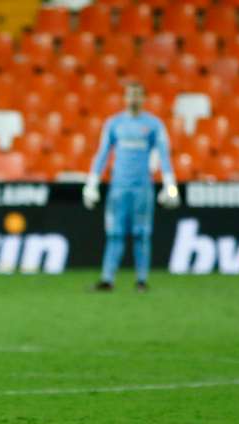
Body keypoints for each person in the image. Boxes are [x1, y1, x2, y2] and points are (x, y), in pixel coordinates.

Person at [82, 81, 180, 292]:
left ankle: (141, 280)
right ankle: (107, 279)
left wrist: (170, 185)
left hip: (142, 187)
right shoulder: (114, 123)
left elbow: (164, 155)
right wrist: (92, 183)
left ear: (143, 99)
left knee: (141, 234)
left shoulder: (154, 125)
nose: (134, 99)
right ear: (125, 98)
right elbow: (102, 153)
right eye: (130, 95)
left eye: (137, 95)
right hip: (118, 187)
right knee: (114, 233)